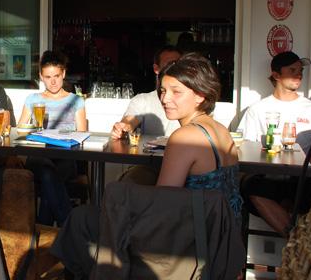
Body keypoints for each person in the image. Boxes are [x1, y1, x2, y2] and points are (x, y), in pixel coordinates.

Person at [51, 53, 244, 278]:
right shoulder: (222, 132)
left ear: (200, 95)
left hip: (185, 243)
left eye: (176, 92)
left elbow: (161, 207)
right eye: (162, 90)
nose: (165, 98)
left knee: (81, 219)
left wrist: (121, 199)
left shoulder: (185, 137)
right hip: (220, 242)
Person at [237, 51, 311, 236]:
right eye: (292, 70)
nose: (298, 75)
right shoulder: (257, 109)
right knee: (251, 186)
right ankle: (297, 239)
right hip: (268, 177)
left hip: (303, 177)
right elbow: (246, 148)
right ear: (276, 75)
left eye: (300, 71)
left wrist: (296, 163)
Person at [18, 50, 87, 226]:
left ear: (63, 73)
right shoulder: (33, 99)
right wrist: (33, 130)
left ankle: (44, 227)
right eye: (48, 77)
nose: (53, 81)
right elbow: (19, 130)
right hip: (38, 156)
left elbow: (81, 135)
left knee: (49, 176)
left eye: (56, 75)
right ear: (41, 76)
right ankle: (68, 227)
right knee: (47, 170)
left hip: (65, 156)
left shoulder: (75, 100)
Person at [112, 45, 181, 185]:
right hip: (149, 165)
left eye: (178, 64)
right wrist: (123, 127)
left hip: (183, 163)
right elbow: (129, 121)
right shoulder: (142, 100)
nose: (175, 69)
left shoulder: (190, 100)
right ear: (156, 69)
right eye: (169, 65)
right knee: (129, 184)